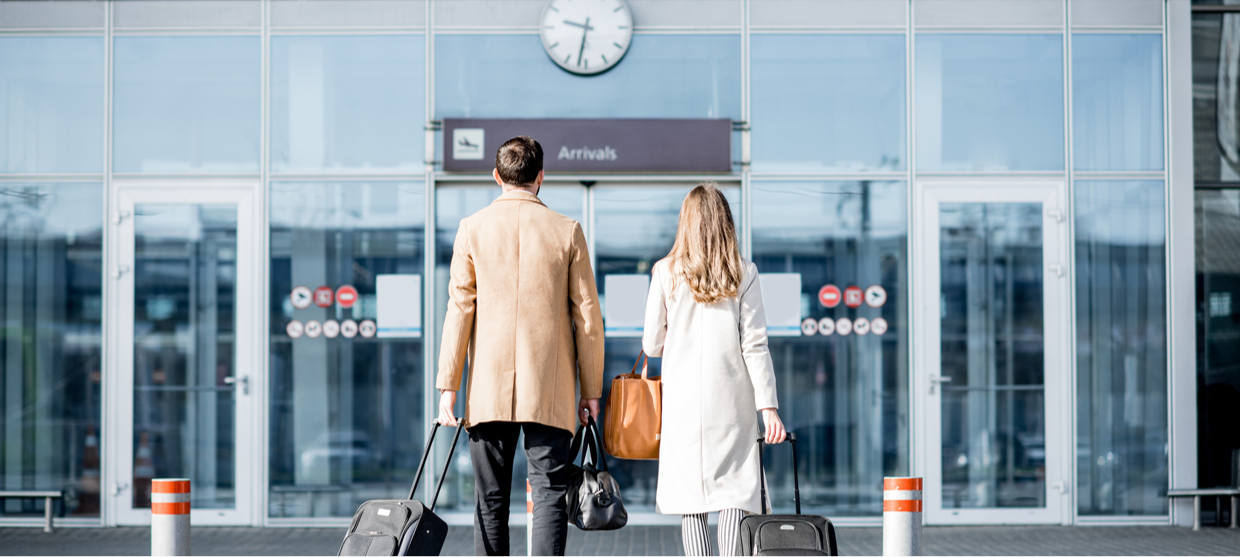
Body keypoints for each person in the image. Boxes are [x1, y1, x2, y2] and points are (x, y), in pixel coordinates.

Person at [436, 136, 605, 557]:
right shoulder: (568, 231)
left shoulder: (471, 229)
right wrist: (591, 391)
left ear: (497, 177)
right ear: (541, 178)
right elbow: (588, 319)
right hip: (550, 386)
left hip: (488, 389)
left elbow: (459, 310)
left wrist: (448, 386)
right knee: (549, 493)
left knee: (489, 500)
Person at [642, 183, 787, 557]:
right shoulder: (743, 272)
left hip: (684, 405)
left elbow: (651, 345)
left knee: (692, 500)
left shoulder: (665, 272)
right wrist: (767, 408)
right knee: (735, 491)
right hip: (733, 403)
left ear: (686, 223)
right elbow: (755, 345)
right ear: (725, 222)